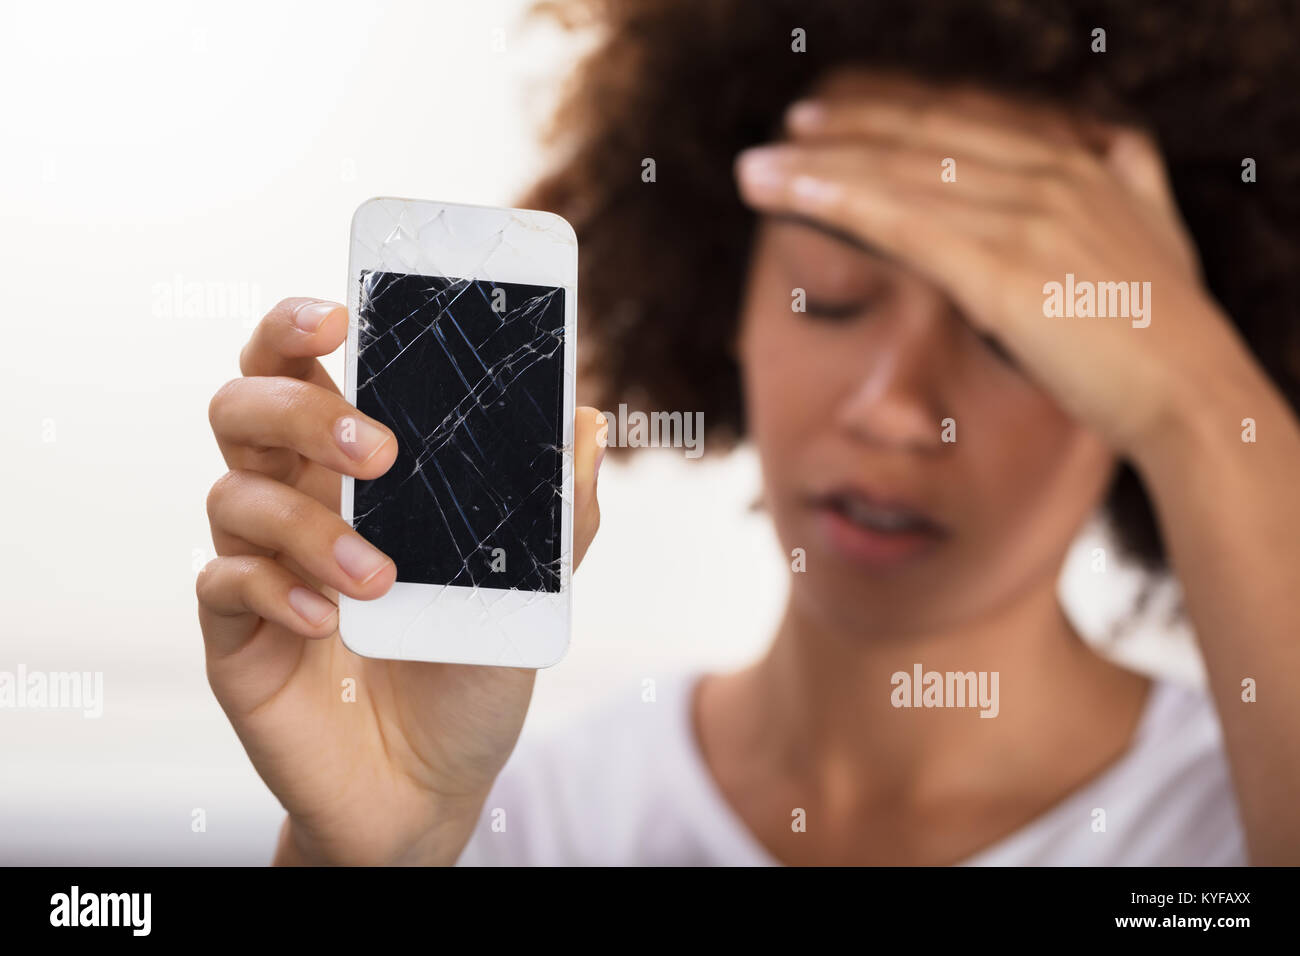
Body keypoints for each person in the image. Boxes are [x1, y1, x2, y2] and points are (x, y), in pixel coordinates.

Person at [197, 0, 1300, 865]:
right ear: (726, 299)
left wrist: (1205, 404)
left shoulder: (1232, 825)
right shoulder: (528, 821)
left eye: (1014, 336)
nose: (891, 404)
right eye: (831, 295)